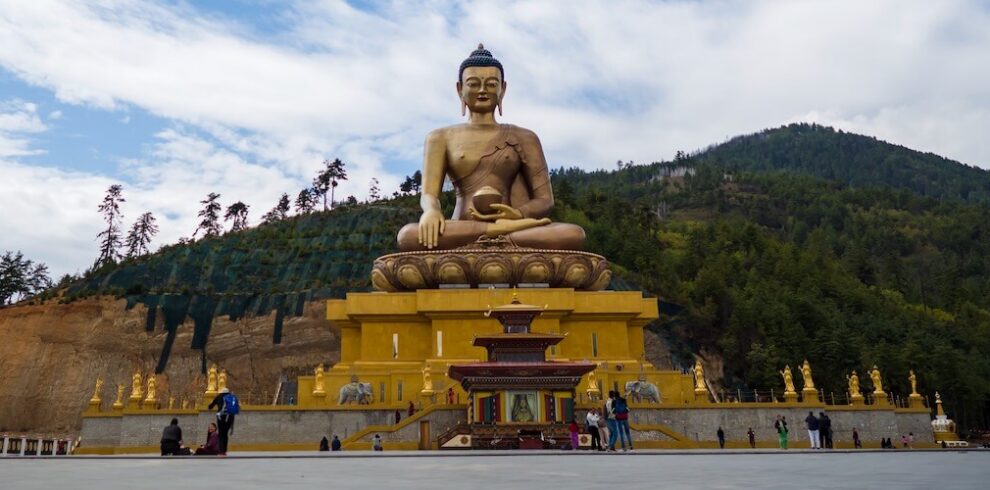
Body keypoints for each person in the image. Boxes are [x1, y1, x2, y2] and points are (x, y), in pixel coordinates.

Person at [208, 386, 239, 456]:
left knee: (221, 434)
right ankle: (224, 451)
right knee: (225, 434)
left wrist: (210, 406)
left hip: (221, 417)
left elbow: (211, 406)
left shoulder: (219, 396)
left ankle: (221, 451)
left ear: (221, 392)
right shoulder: (232, 396)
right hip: (230, 417)